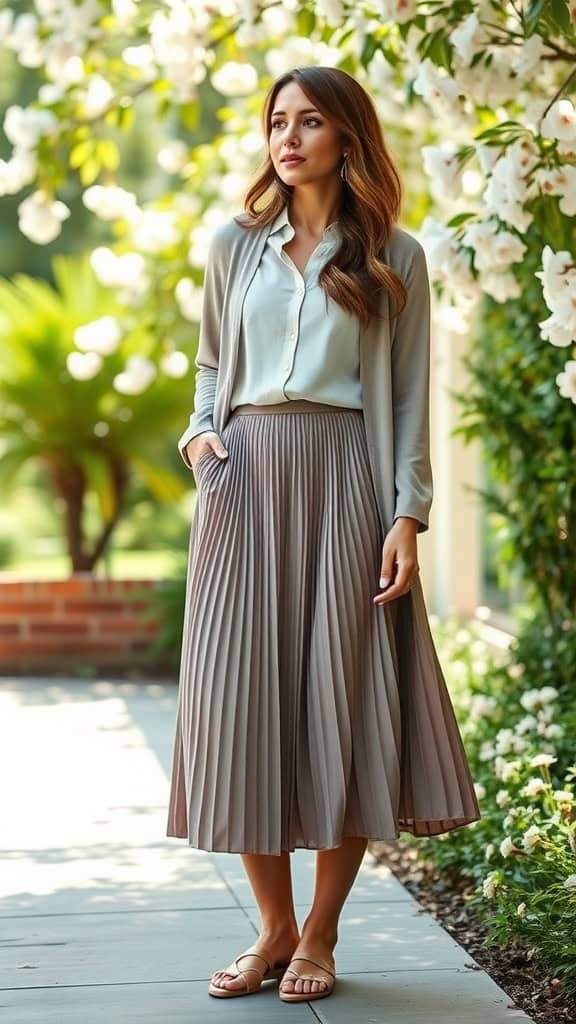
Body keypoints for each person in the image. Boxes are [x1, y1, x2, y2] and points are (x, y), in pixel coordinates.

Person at [166, 65, 481, 1005]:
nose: (288, 137)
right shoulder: (235, 244)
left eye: (309, 122)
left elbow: (409, 397)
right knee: (242, 699)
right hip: (247, 477)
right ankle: (268, 927)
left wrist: (407, 514)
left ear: (348, 136)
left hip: (347, 480)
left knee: (341, 705)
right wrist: (200, 439)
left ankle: (319, 934)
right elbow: (211, 365)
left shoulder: (395, 254)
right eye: (277, 122)